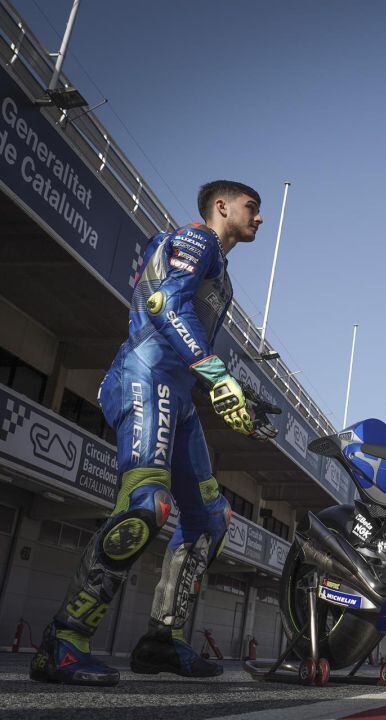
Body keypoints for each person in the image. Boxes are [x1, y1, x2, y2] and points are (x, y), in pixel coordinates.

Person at [31, 180, 278, 686]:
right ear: (221, 206)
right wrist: (217, 374)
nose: (259, 218)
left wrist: (235, 395)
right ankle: (64, 641)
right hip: (144, 377)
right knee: (146, 505)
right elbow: (167, 305)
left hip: (178, 394)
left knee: (211, 517)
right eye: (252, 208)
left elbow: (189, 333)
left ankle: (160, 641)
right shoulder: (196, 241)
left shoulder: (221, 271)